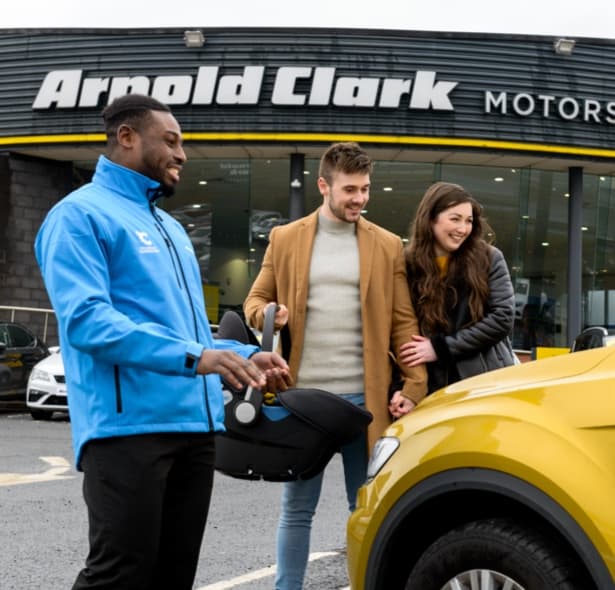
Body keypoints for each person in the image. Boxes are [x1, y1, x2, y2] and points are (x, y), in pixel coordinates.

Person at [34, 93, 291, 590]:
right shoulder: (78, 216)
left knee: (174, 576)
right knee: (119, 575)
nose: (182, 154)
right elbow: (88, 322)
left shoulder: (170, 228)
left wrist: (243, 355)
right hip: (127, 431)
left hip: (194, 429)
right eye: (170, 141)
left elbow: (191, 335)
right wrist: (198, 357)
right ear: (128, 138)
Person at [243, 141, 428, 590]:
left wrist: (414, 384)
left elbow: (404, 324)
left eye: (365, 189)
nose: (359, 199)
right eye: (350, 189)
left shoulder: (386, 245)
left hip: (363, 402)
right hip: (302, 400)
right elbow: (255, 300)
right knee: (297, 508)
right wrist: (270, 316)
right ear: (323, 185)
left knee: (364, 509)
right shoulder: (285, 238)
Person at [399, 181, 516, 393]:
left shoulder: (489, 258)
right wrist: (402, 388)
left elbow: (503, 318)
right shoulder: (407, 264)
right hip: (431, 386)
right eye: (455, 219)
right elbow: (400, 326)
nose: (463, 229)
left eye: (469, 221)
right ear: (431, 219)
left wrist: (441, 347)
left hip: (484, 382)